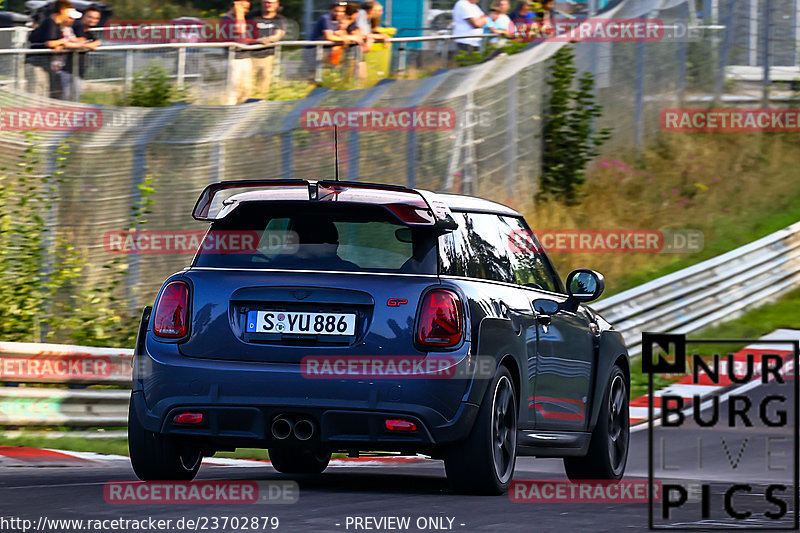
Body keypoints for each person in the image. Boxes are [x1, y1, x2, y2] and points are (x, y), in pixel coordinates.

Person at [27, 0, 86, 99]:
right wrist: (63, 42)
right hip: (36, 64)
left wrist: (61, 44)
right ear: (62, 10)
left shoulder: (57, 25)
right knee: (37, 96)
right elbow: (50, 43)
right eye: (68, 11)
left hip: (45, 66)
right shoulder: (51, 22)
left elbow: (56, 43)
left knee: (50, 94)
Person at [62, 6, 102, 102]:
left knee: (75, 99)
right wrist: (88, 44)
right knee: (64, 99)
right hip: (67, 70)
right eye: (90, 17)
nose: (93, 20)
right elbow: (82, 42)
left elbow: (97, 42)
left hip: (78, 71)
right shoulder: (77, 26)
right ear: (83, 16)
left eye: (96, 18)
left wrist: (88, 44)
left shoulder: (88, 31)